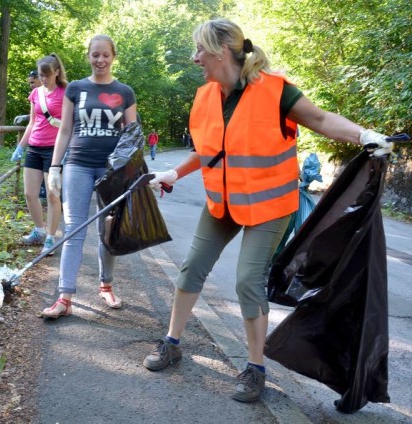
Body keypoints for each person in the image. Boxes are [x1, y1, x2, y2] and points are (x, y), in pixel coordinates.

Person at [141, 18, 393, 404]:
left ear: (222, 51)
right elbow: (208, 151)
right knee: (192, 267)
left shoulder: (275, 91)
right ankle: (172, 342)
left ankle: (255, 369)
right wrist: (173, 171)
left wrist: (364, 135)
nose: (195, 59)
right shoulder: (206, 95)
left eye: (199, 50)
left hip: (269, 207)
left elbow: (322, 119)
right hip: (223, 202)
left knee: (247, 281)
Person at [42, 34, 138, 318]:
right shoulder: (76, 88)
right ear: (88, 56)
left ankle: (106, 286)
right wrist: (55, 167)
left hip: (112, 169)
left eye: (105, 54)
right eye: (95, 54)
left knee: (107, 230)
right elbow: (65, 130)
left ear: (113, 56)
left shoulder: (125, 92)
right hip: (78, 164)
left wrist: (132, 173)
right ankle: (64, 297)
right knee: (73, 229)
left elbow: (132, 135)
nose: (100, 60)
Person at [10, 54, 68, 255]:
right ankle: (39, 231)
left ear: (57, 72)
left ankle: (51, 239)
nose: (43, 79)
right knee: (29, 193)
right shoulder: (36, 94)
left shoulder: (65, 92)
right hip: (34, 147)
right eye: (41, 75)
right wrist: (21, 146)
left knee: (53, 195)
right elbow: (32, 122)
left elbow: (71, 123)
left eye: (47, 75)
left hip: (54, 150)